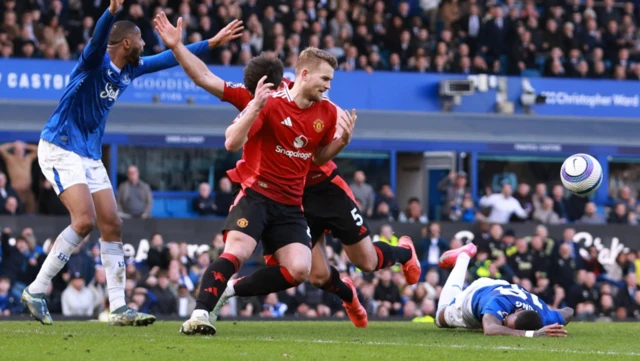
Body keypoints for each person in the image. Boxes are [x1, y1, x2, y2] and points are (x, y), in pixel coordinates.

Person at [154, 13, 420, 331]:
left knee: (365, 262)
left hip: (322, 189)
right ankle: (209, 308)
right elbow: (204, 79)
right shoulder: (265, 99)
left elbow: (317, 157)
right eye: (324, 80)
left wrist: (342, 142)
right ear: (304, 74)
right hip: (273, 195)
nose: (329, 87)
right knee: (309, 272)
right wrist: (177, 46)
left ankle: (403, 252)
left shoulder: (328, 111)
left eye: (331, 82)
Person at [21, 0, 243, 326]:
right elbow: (98, 39)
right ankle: (36, 290)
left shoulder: (131, 68)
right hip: (60, 145)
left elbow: (167, 59)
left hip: (89, 152)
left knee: (112, 224)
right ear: (127, 43)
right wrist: (110, 12)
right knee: (83, 220)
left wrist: (210, 43)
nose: (144, 46)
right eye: (141, 40)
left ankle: (118, 308)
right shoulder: (93, 62)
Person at [435, 243, 574, 337]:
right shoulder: (500, 303)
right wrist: (531, 334)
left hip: (501, 286)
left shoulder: (546, 316)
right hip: (476, 296)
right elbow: (490, 329)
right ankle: (463, 256)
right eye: (507, 321)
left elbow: (568, 311)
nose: (503, 322)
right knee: (439, 318)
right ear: (518, 310)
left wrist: (558, 323)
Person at [0, 141, 38, 214]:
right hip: (15, 191)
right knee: (17, 211)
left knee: (31, 211)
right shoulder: (10, 158)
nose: (20, 151)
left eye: (21, 150)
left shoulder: (28, 158)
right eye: (18, 150)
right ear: (14, 151)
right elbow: (1, 149)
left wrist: (25, 146)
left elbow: (39, 150)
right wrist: (13, 144)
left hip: (28, 191)